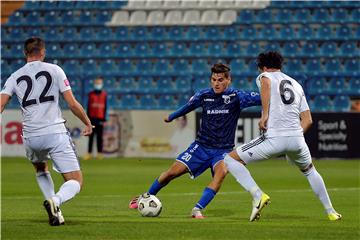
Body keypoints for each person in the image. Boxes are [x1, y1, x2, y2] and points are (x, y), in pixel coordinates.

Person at [129, 63, 262, 218]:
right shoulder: (204, 95)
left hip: (223, 150)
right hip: (201, 147)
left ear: (228, 80)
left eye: (220, 80)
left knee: (221, 173)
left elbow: (262, 98)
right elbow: (188, 107)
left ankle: (197, 209)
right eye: (213, 80)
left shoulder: (238, 97)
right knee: (171, 173)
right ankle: (145, 196)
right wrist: (172, 116)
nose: (216, 83)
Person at [224, 51, 342, 221]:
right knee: (310, 171)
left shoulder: (265, 76)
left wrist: (264, 115)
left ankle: (258, 195)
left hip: (274, 137)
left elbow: (265, 83)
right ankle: (331, 211)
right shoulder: (296, 84)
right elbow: (308, 119)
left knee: (230, 160)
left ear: (263, 67)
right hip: (297, 138)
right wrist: (292, 140)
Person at [0, 37, 93, 226]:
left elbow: (1, 104)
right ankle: (55, 201)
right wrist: (87, 122)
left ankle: (55, 213)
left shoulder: (15, 76)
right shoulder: (55, 70)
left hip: (31, 136)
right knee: (76, 180)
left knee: (41, 168)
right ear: (43, 52)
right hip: (54, 132)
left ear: (25, 53)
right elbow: (72, 103)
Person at [83, 77, 108, 160]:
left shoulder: (104, 94)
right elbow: (89, 107)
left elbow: (106, 107)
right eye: (97, 83)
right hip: (92, 118)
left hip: (100, 118)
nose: (98, 85)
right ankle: (89, 153)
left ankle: (99, 153)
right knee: (91, 137)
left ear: (102, 84)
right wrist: (87, 119)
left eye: (99, 83)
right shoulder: (91, 94)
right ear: (94, 84)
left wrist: (105, 118)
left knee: (99, 137)